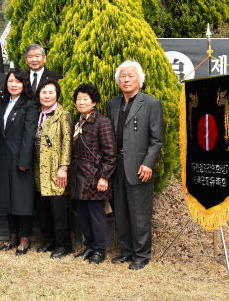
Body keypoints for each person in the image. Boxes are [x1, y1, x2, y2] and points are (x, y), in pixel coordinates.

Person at [107, 60, 163, 270]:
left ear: (139, 79)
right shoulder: (113, 103)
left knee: (139, 213)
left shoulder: (151, 103)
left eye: (131, 76)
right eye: (123, 76)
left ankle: (142, 254)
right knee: (121, 210)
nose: (126, 79)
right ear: (118, 80)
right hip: (117, 164)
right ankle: (127, 250)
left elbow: (157, 139)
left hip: (140, 166)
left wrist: (148, 164)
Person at [69, 83, 116, 264]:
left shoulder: (102, 122)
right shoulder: (77, 122)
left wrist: (104, 177)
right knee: (82, 213)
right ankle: (89, 246)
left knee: (96, 214)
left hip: (95, 177)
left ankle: (99, 250)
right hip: (78, 176)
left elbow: (110, 153)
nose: (81, 102)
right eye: (78, 99)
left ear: (94, 102)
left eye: (85, 99)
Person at [0, 69, 37, 255]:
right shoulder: (2, 103)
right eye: (11, 81)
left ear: (24, 84)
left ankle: (25, 239)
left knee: (22, 200)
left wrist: (24, 160)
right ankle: (13, 236)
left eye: (18, 82)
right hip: (3, 158)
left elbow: (29, 134)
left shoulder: (30, 104)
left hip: (20, 159)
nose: (13, 84)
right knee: (8, 198)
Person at [34, 80, 73, 258]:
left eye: (50, 92)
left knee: (58, 209)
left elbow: (67, 142)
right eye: (44, 92)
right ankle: (49, 240)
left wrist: (63, 167)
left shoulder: (63, 115)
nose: (47, 96)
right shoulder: (38, 113)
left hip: (56, 169)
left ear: (57, 94)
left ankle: (63, 245)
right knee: (44, 208)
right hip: (39, 169)